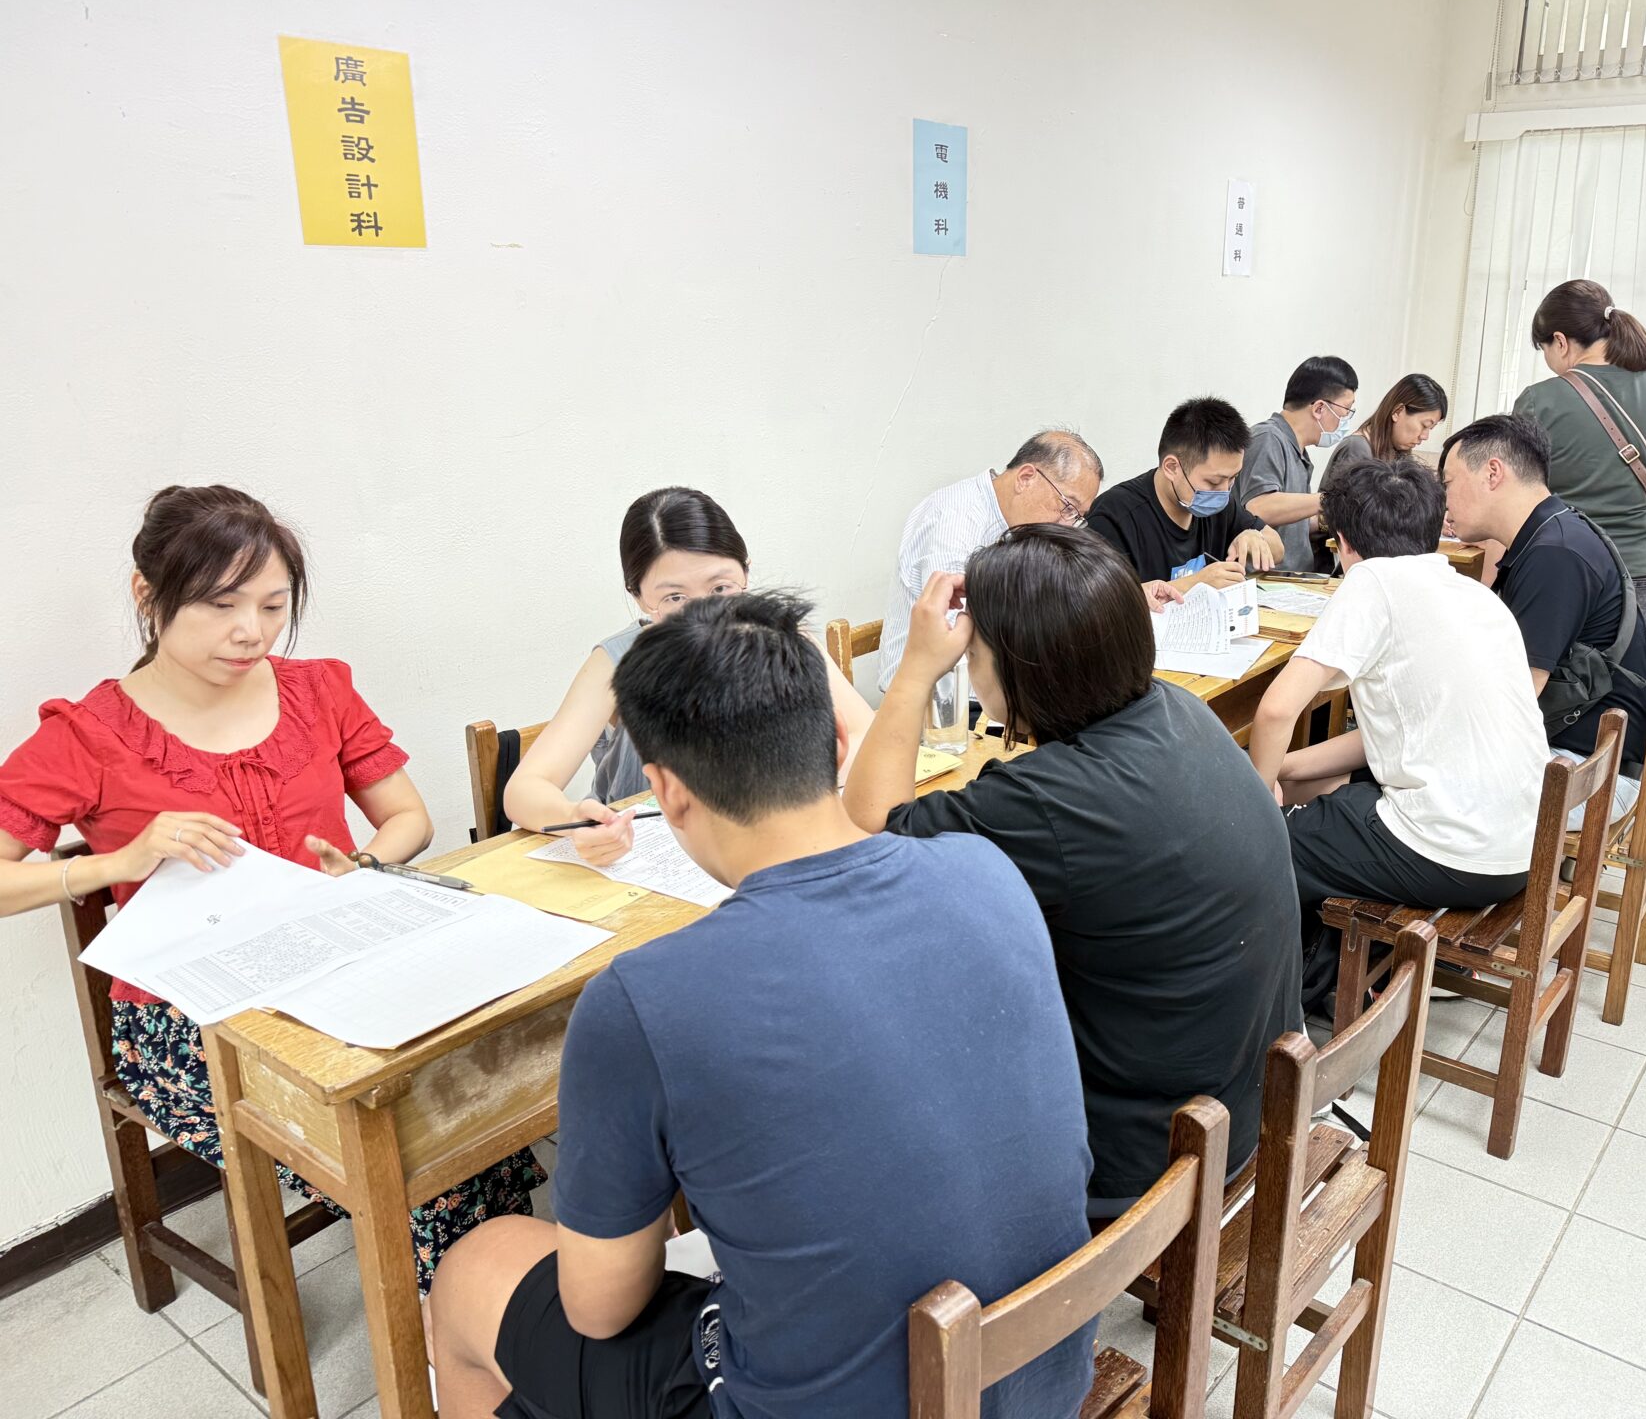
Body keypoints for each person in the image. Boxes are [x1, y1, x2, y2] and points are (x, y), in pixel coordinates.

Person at [429, 590, 1096, 1419]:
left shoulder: (640, 999)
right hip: (1044, 1379)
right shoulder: (985, 868)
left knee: (474, 1269)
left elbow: (599, 1310)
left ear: (665, 791)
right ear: (836, 741)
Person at [0, 485, 541, 1291]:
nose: (250, 631)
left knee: (467, 1073)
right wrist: (116, 864)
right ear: (148, 595)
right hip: (194, 1020)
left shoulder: (318, 691)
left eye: (272, 605)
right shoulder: (89, 735)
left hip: (329, 964)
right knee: (407, 1130)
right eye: (220, 604)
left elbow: (407, 819)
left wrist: (360, 869)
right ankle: (469, 1309)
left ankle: (489, 1298)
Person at [843, 526, 1299, 1216]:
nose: (970, 666)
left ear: (1024, 667)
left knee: (895, 1059)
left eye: (975, 652)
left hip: (1148, 1160)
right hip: (1245, 1100)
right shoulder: (1176, 708)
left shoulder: (1049, 800)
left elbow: (869, 829)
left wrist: (914, 670)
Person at [1248, 459, 1549, 1009]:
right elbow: (1403, 732)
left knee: (1262, 845)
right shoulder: (1474, 595)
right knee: (1328, 799)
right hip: (1520, 849)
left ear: (1343, 543)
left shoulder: (1372, 581)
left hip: (1452, 853)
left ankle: (1295, 997)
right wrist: (1285, 771)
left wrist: (1254, 795)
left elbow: (1274, 711)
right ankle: (1345, 973)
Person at [503, 487, 873, 863]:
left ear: (745, 572)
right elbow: (525, 789)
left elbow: (865, 735)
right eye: (676, 598)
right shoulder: (617, 661)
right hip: (648, 867)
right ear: (639, 597)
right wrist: (574, 818)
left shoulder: (778, 639)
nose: (705, 615)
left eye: (720, 588)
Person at [1439, 414, 1646, 823]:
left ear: (1493, 473)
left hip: (1585, 774)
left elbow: (1517, 694)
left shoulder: (1554, 554)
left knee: (1398, 781)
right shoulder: (1554, 530)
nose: (1444, 499)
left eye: (1448, 482)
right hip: (1576, 755)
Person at [877, 430, 1180, 690]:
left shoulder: (1023, 523)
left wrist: (1122, 597)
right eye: (1067, 506)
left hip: (998, 689)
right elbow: (961, 639)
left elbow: (1053, 595)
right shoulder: (954, 521)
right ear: (1026, 478)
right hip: (937, 705)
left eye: (1078, 516)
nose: (1068, 525)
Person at [1515, 280, 1646, 663]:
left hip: (1561, 570)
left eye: (1545, 350)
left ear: (1560, 341)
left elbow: (1516, 505)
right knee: (1629, 685)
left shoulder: (1538, 401)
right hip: (1645, 571)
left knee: (1553, 683)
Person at [1087, 396, 1283, 589]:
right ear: (1172, 467)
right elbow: (1104, 601)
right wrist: (1195, 583)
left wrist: (1254, 539)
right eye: (1213, 482)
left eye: (1233, 478)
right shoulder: (1114, 517)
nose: (1224, 491)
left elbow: (1278, 549)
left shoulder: (1220, 503)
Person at [1234, 356, 1361, 569]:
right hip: (1265, 581)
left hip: (1295, 577)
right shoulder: (1268, 438)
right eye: (1346, 412)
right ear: (1319, 408)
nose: (1345, 421)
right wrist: (1329, 500)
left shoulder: (1297, 451)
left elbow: (1289, 525)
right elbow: (1259, 508)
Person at [1321, 372, 1450, 496]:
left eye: (1430, 429)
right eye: (1424, 425)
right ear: (1398, 411)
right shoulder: (1357, 448)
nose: (1425, 436)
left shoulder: (1400, 455)